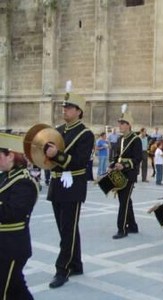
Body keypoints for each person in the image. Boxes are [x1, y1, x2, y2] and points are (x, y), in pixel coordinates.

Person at [45, 90, 95, 288]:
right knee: (65, 228)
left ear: (79, 111)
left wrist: (57, 155)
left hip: (73, 185)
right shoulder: (58, 131)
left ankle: (62, 269)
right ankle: (76, 263)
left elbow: (81, 162)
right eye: (64, 107)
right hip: (57, 184)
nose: (64, 110)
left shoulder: (86, 134)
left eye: (68, 107)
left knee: (68, 230)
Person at [0, 133, 38, 299]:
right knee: (16, 289)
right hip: (4, 244)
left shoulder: (24, 182)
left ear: (11, 156)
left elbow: (12, 213)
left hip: (11, 246)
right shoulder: (5, 176)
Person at [108, 107, 142, 239]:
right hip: (120, 173)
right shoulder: (121, 139)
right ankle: (133, 226)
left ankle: (122, 229)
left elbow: (138, 158)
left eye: (122, 123)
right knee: (126, 200)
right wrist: (112, 165)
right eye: (119, 123)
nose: (120, 125)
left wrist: (124, 165)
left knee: (124, 201)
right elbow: (118, 156)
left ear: (129, 125)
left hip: (130, 174)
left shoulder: (136, 139)